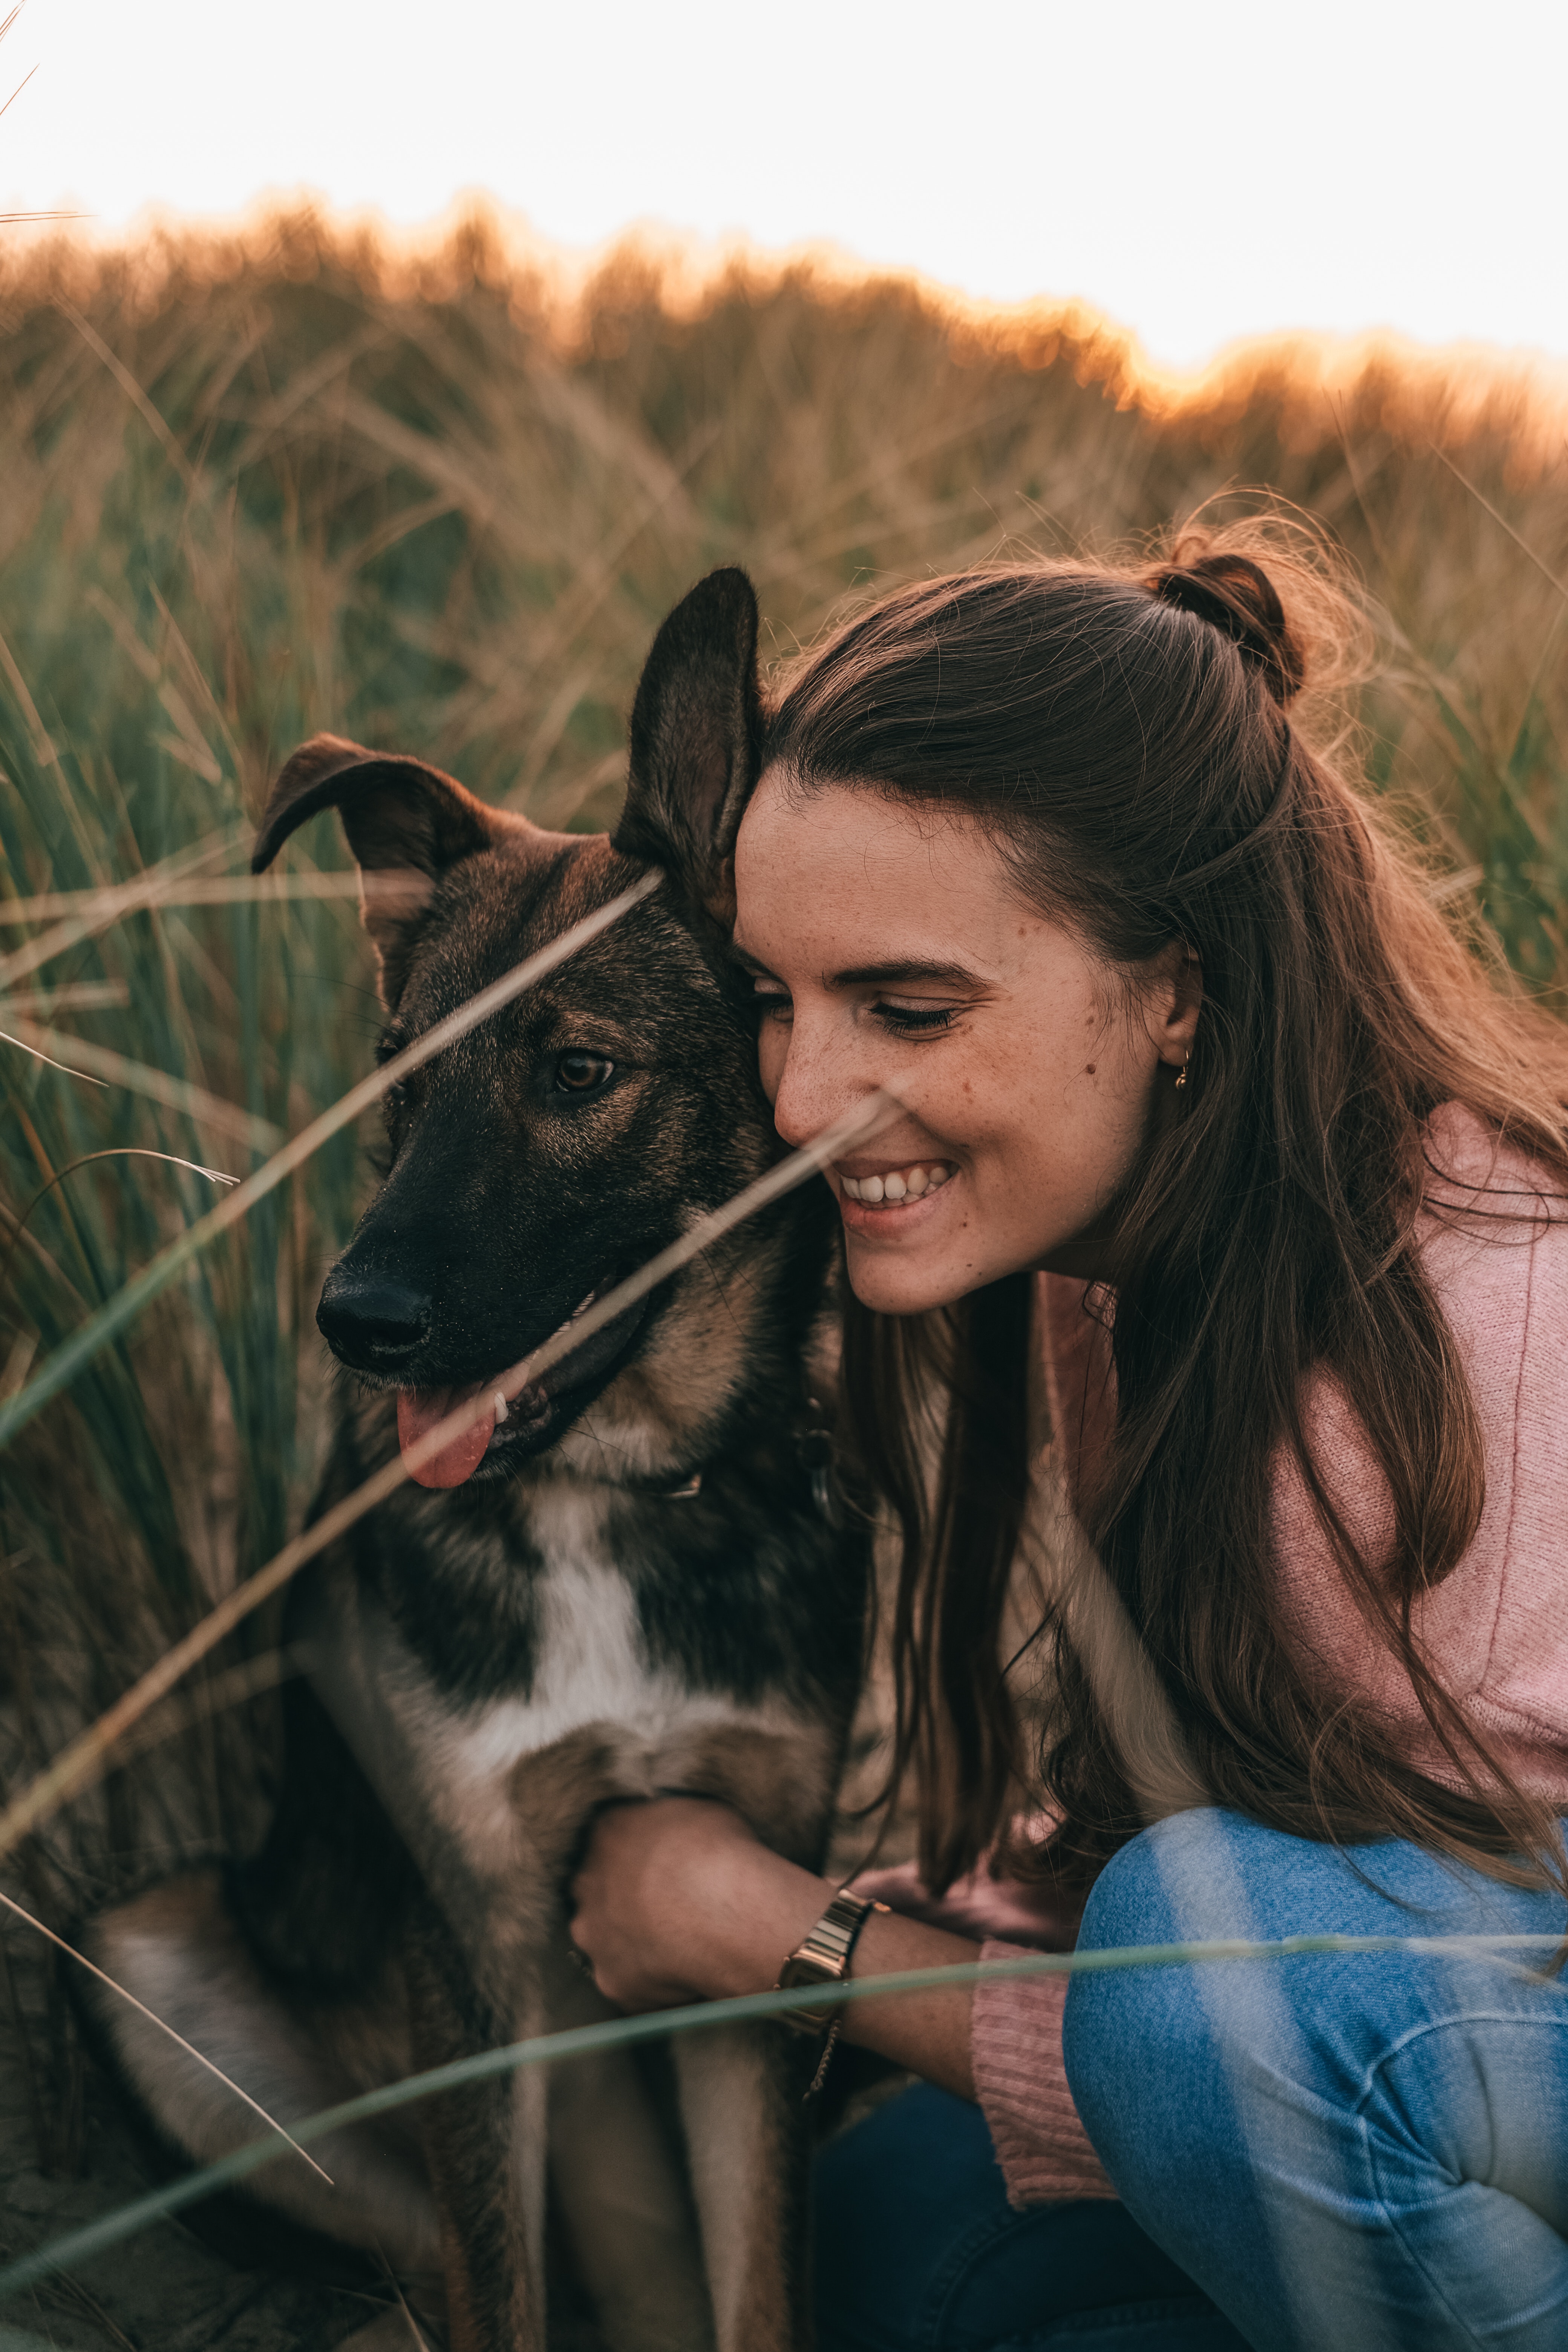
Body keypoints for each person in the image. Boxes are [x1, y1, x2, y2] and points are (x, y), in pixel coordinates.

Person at [568, 529, 1568, 2350]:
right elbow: (1314, 1870)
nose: (799, 1100)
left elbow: (1260, 2012)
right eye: (773, 1000)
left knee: (1186, 2007)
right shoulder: (1128, 1265)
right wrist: (919, 1916)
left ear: (1173, 991)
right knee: (893, 2240)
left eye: (908, 1007)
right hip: (1398, 2057)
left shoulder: (1464, 1336)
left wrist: (785, 1942)